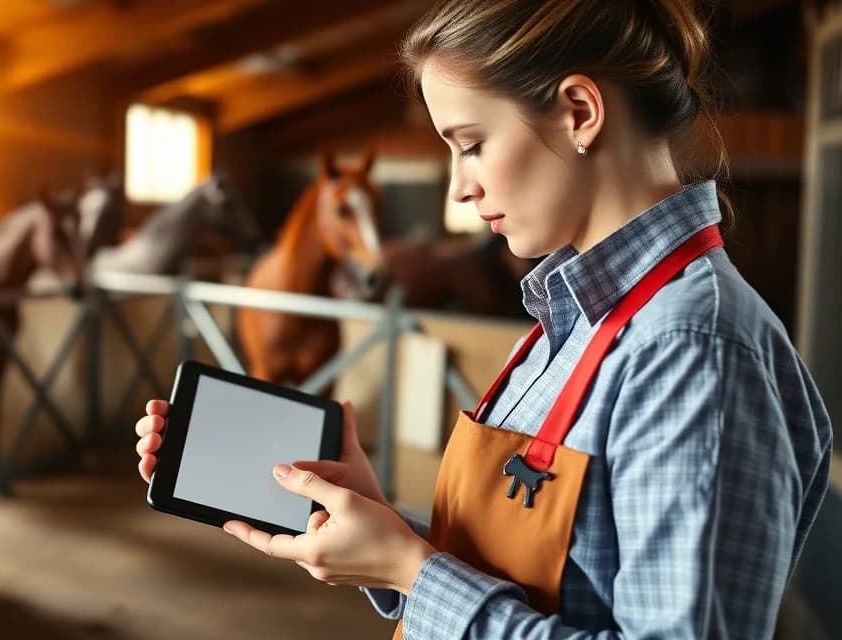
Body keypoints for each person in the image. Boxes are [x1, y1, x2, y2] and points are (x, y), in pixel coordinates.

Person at [135, 0, 833, 637]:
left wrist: (413, 571)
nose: (461, 187)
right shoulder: (574, 317)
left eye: (469, 143)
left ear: (581, 112)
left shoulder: (690, 350)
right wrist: (379, 531)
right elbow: (552, 584)